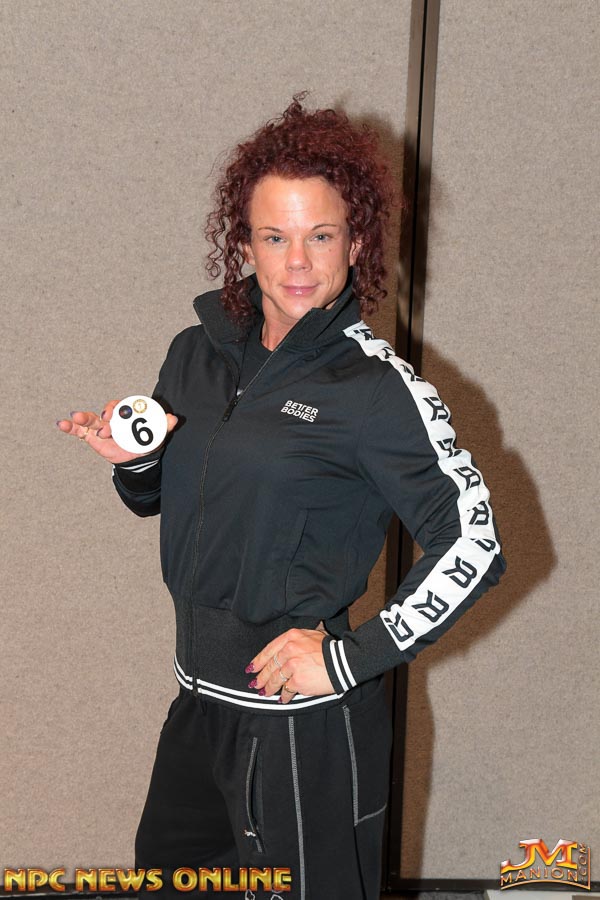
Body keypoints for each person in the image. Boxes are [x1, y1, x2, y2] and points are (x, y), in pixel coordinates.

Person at [58, 95, 506, 900]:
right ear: (244, 242)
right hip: (198, 709)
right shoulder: (195, 354)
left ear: (356, 242)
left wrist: (349, 658)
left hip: (301, 732)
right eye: (275, 237)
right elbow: (162, 502)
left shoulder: (375, 390)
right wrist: (136, 463)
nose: (298, 262)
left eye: (321, 236)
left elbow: (475, 541)